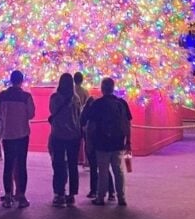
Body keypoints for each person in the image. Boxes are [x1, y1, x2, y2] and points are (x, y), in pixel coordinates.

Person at [80, 77, 132, 207]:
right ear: (113, 88)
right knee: (118, 170)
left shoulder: (98, 104)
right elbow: (126, 123)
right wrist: (128, 140)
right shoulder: (121, 103)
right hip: (118, 141)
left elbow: (91, 124)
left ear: (102, 89)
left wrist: (90, 141)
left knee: (102, 170)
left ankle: (100, 197)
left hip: (102, 142)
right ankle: (121, 197)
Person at [0, 69, 35, 208]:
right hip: (22, 134)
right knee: (21, 165)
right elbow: (31, 115)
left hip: (7, 134)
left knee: (8, 165)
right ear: (21, 80)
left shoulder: (2, 96)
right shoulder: (26, 96)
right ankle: (21, 196)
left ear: (11, 80)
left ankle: (8, 196)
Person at [48, 73, 82, 207]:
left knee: (59, 164)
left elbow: (52, 111)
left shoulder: (55, 98)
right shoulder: (76, 98)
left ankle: (59, 193)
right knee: (73, 165)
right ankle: (72, 194)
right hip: (74, 135)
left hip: (59, 134)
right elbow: (79, 114)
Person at [81, 94, 114, 200]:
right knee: (104, 168)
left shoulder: (86, 116)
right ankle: (111, 192)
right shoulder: (100, 113)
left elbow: (85, 129)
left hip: (92, 144)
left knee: (94, 168)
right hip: (100, 143)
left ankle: (94, 191)